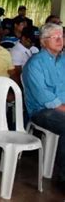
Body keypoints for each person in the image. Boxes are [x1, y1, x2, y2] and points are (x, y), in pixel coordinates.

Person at [22, 22, 65, 191]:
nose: (59, 40)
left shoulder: (63, 60)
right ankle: (62, 178)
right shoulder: (35, 64)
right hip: (42, 110)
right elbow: (46, 99)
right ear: (43, 41)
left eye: (61, 36)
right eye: (54, 37)